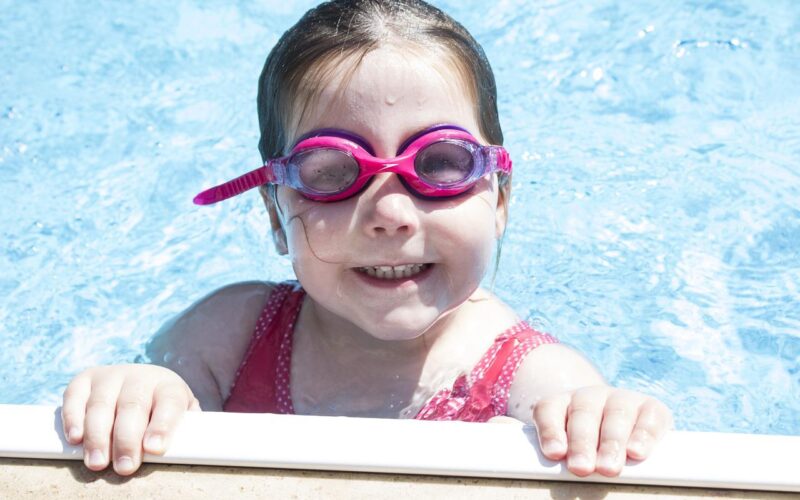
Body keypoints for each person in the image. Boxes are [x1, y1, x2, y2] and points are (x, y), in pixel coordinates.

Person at [61, 0, 672, 478]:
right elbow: (149, 397)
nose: (390, 214)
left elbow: (593, 431)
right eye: (331, 173)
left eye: (442, 164)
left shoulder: (533, 382)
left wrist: (600, 420)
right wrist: (143, 393)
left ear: (501, 202)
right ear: (275, 216)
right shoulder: (227, 338)